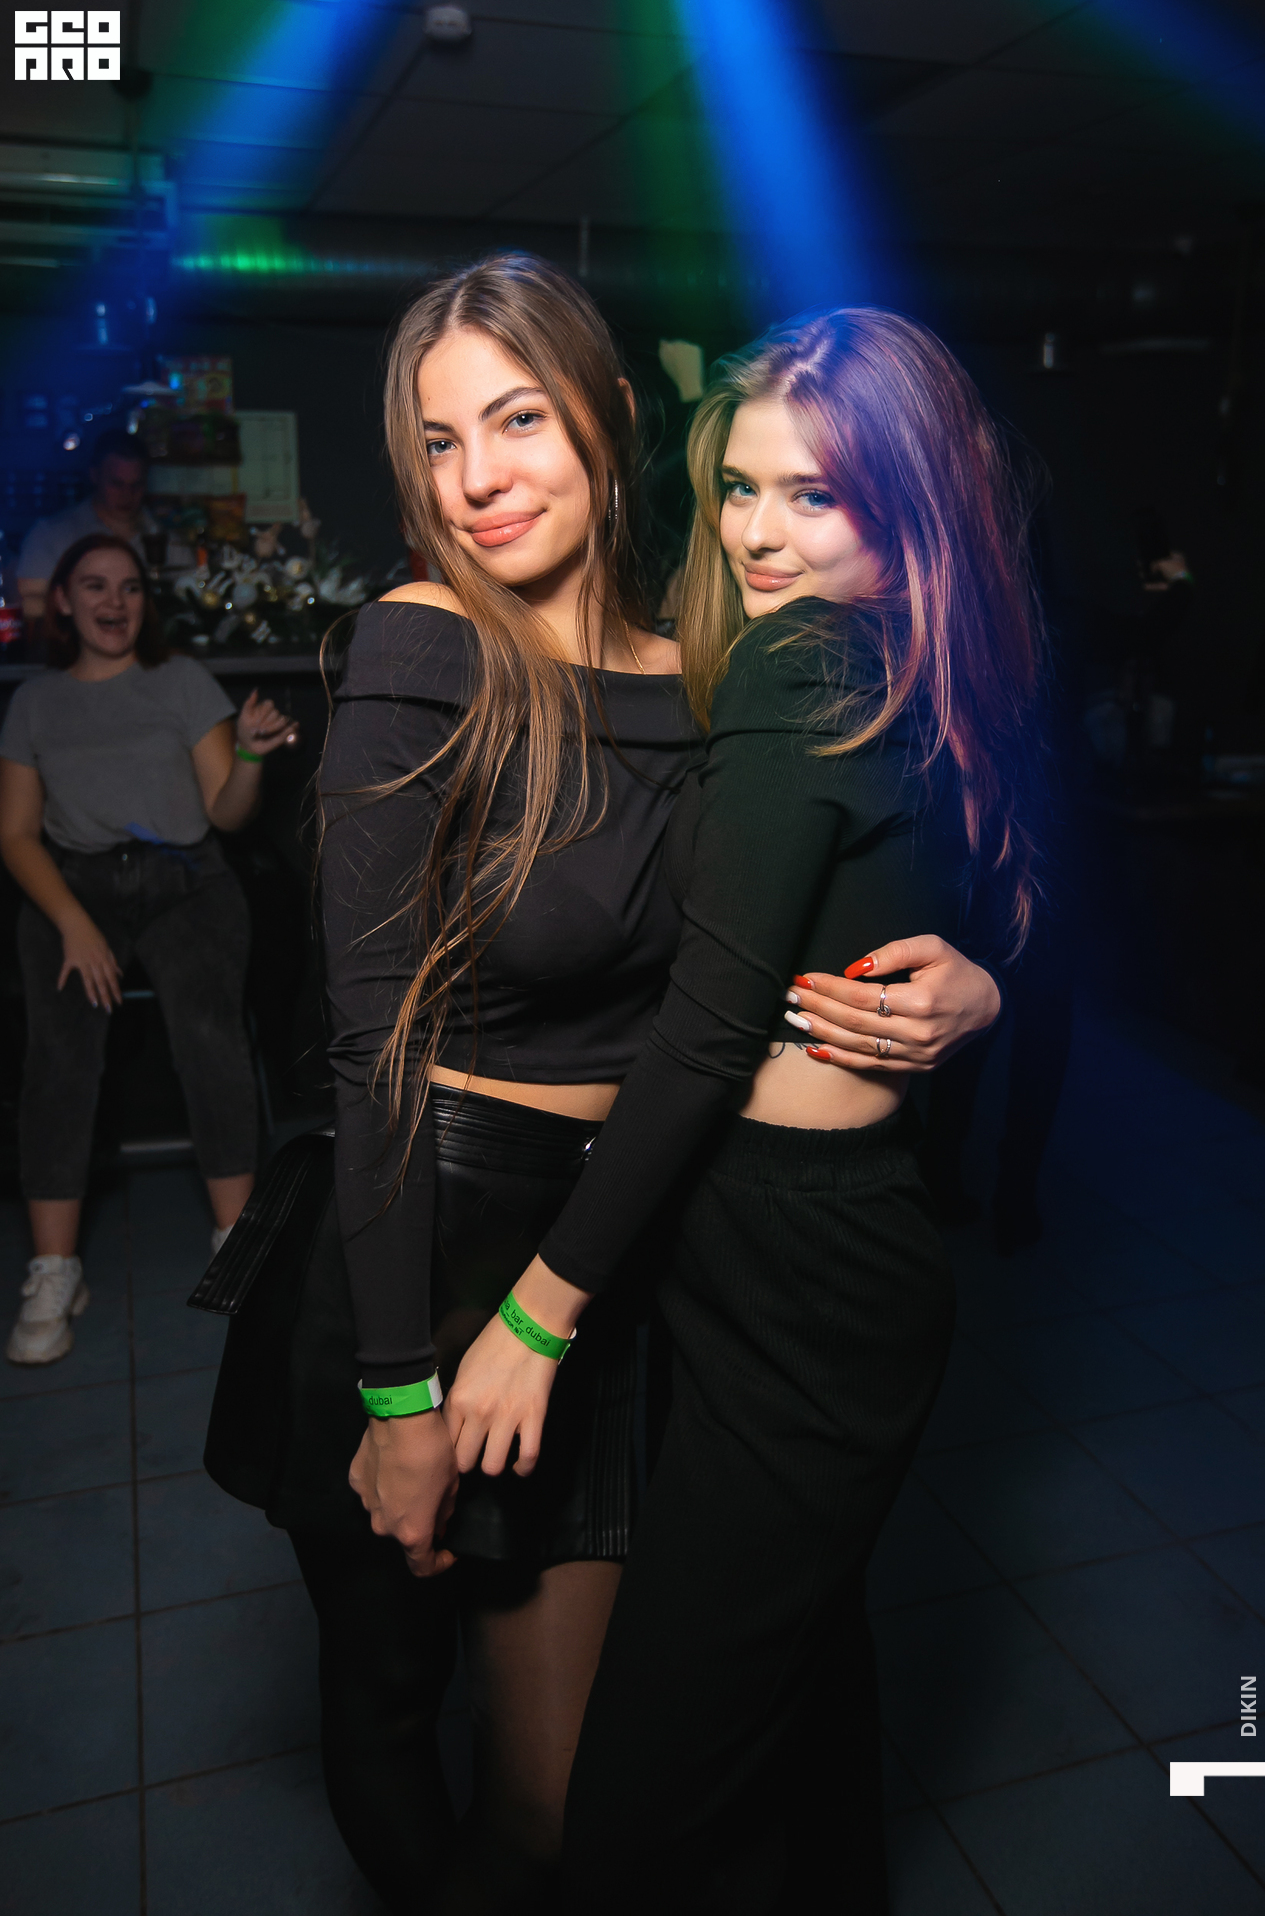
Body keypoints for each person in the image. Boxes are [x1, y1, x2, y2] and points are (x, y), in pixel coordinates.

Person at [297, 255, 1000, 1914]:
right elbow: (370, 1046)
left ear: (610, 419)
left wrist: (980, 985)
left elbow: (802, 907)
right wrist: (400, 1391)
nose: (477, 478)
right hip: (436, 1249)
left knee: (564, 1801)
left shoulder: (708, 651)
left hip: (628, 1265)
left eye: (520, 420)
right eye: (438, 440)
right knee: (396, 1724)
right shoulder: (419, 644)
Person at [0, 534, 296, 1366]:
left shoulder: (181, 681)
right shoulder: (35, 702)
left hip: (185, 879)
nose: (114, 601)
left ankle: (236, 1245)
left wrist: (249, 756)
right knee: (58, 1062)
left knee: (210, 1042)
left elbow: (228, 813)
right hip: (74, 889)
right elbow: (15, 835)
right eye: (95, 586)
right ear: (64, 602)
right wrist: (73, 922)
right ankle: (54, 1269)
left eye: (129, 587)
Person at [16, 428, 157, 629]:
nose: (127, 494)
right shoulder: (50, 536)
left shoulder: (166, 539)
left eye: (136, 485)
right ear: (95, 476)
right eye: (116, 484)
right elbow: (30, 608)